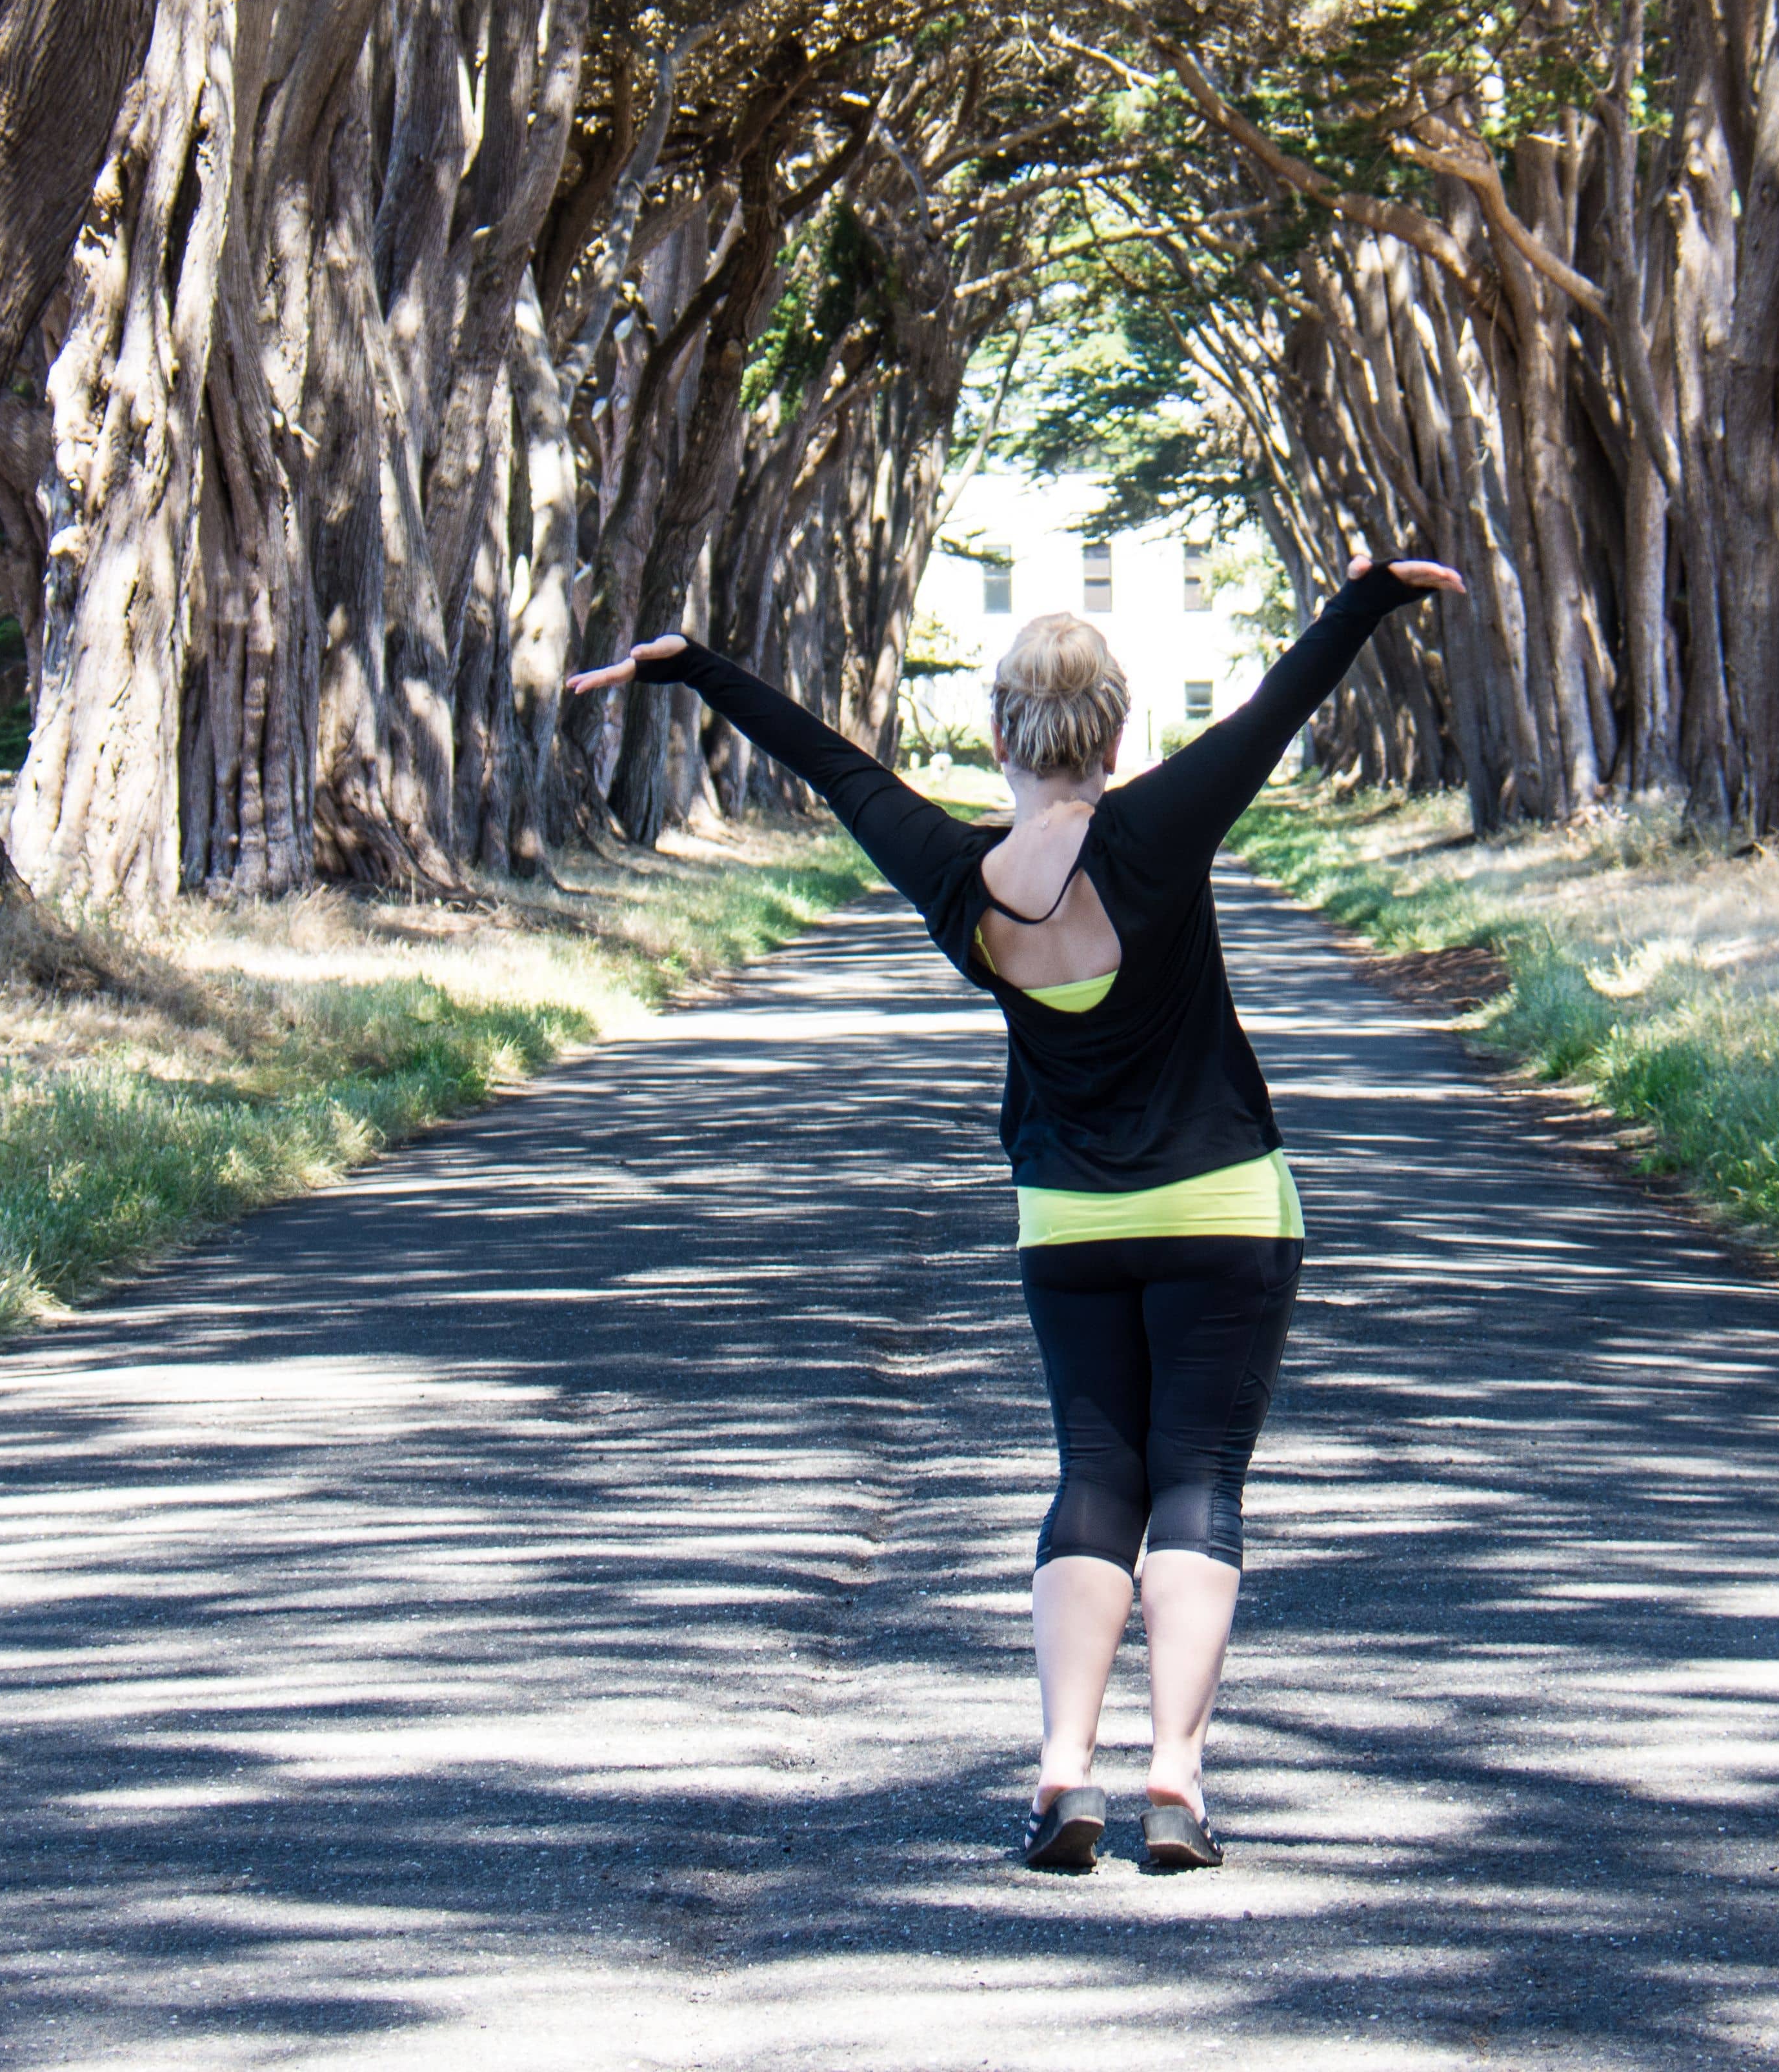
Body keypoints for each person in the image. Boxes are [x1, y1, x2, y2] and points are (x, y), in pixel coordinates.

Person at [568, 552, 1462, 1873]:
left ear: (1000, 736)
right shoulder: (1162, 828)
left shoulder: (950, 870)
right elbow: (1278, 705)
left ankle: (1059, 1775)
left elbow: (837, 767)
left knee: (1094, 1478)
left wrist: (693, 664)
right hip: (1226, 1203)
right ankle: (1174, 1778)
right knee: (1197, 1482)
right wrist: (1370, 594)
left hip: (1067, 1220)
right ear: (1117, 731)